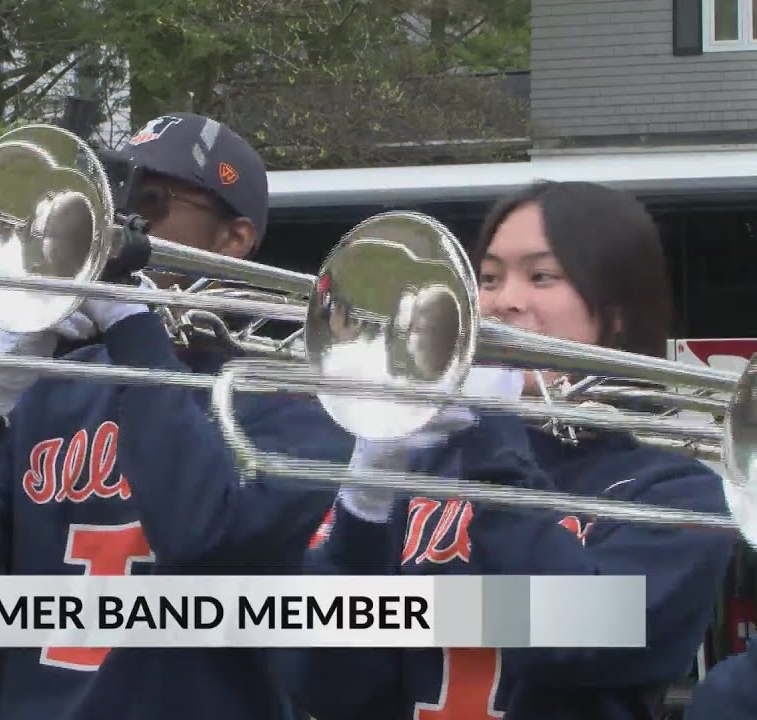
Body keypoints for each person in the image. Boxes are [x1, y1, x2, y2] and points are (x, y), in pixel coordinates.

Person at [0, 113, 354, 719]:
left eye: (148, 200)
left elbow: (203, 542)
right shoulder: (54, 391)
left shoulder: (298, 405)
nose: (115, 219)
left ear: (234, 239)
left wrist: (134, 330)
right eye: (109, 194)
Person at [275, 180, 737, 720]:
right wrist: (366, 504)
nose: (501, 302)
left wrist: (495, 426)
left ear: (614, 312)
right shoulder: (430, 469)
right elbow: (326, 687)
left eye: (542, 276)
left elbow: (571, 641)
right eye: (488, 278)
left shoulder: (678, 492)